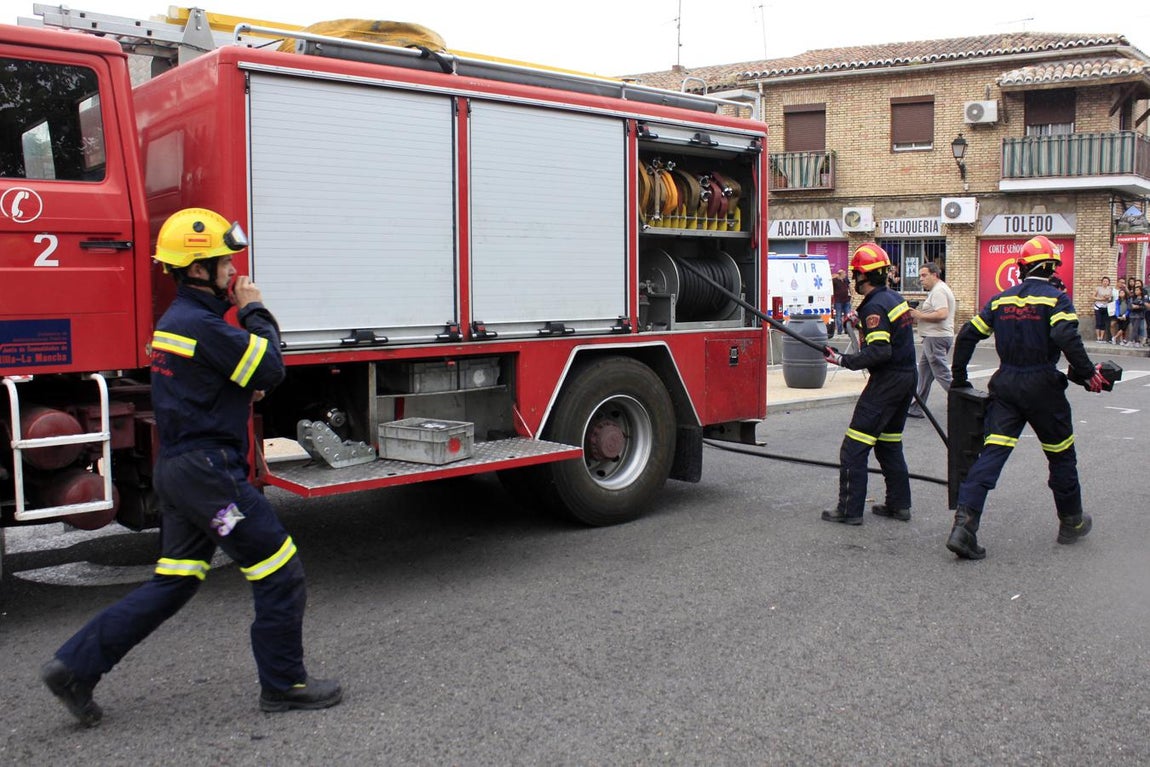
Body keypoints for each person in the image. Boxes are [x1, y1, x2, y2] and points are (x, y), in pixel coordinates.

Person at [41, 208, 342, 726]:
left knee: (175, 581)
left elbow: (210, 383)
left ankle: (74, 667)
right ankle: (284, 685)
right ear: (199, 269)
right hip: (210, 479)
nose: (234, 271)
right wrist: (254, 310)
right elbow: (271, 367)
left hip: (180, 473)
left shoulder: (178, 322)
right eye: (225, 262)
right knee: (279, 570)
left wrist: (240, 384)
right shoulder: (204, 326)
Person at [946, 235, 1108, 560]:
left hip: (1006, 385)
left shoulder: (1000, 300)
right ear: (1052, 268)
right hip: (1044, 387)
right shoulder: (1057, 299)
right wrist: (1088, 372)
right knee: (1061, 455)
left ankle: (964, 528)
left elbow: (967, 335)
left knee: (991, 454)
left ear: (1021, 267)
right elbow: (1065, 335)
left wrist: (960, 379)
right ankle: (1071, 522)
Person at [821, 243, 916, 524]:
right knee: (888, 444)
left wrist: (842, 360)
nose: (854, 279)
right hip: (906, 377)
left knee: (854, 446)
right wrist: (859, 321)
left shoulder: (874, 306)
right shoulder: (893, 298)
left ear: (863, 276)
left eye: (855, 274)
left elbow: (880, 351)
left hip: (887, 381)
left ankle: (849, 510)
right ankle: (899, 505)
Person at [906, 262, 955, 419]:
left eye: (924, 275)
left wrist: (919, 315)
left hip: (936, 338)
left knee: (942, 374)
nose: (921, 279)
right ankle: (916, 407)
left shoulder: (939, 291)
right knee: (925, 374)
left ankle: (966, 403)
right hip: (933, 337)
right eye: (920, 275)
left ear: (934, 275)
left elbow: (942, 314)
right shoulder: (937, 290)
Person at [832, 268, 851, 335]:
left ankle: (847, 329)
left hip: (846, 300)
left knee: (847, 315)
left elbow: (849, 287)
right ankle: (839, 330)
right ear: (840, 274)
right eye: (844, 273)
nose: (845, 274)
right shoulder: (835, 281)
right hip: (838, 301)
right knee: (838, 315)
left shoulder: (846, 280)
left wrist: (851, 294)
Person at [1092, 276, 1112, 342]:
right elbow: (1093, 297)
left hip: (1105, 307)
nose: (1105, 282)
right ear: (1102, 282)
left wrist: (1108, 298)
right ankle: (1098, 337)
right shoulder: (1098, 288)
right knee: (1098, 322)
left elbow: (1110, 298)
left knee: (1103, 323)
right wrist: (1101, 299)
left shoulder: (1110, 289)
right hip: (1098, 307)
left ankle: (1102, 337)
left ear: (1108, 282)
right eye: (1104, 281)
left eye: (1107, 281)